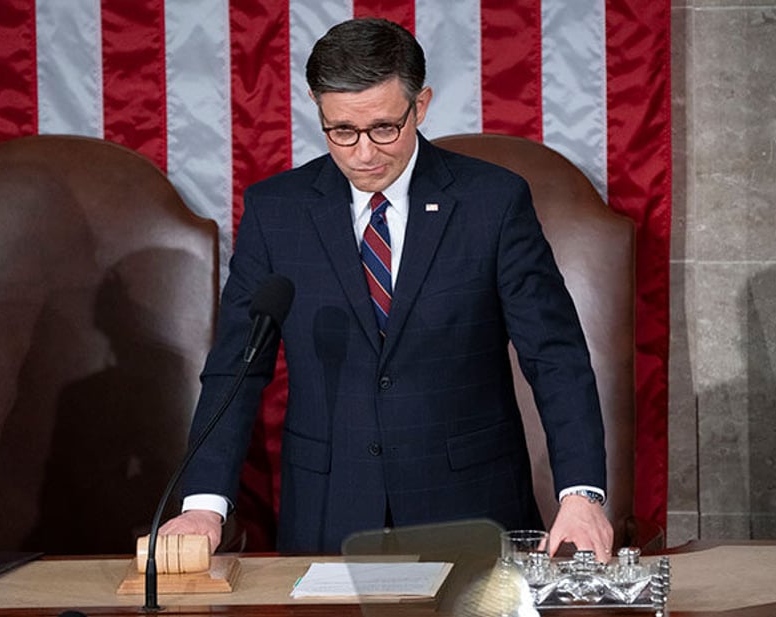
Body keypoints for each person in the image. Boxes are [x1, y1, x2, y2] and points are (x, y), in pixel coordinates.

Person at [161, 17, 613, 559]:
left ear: (419, 106)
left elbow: (555, 356)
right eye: (342, 131)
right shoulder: (275, 211)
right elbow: (237, 364)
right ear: (317, 107)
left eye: (384, 129)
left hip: (470, 506)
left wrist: (583, 493)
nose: (364, 153)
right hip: (329, 511)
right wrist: (203, 504)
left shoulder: (491, 203)